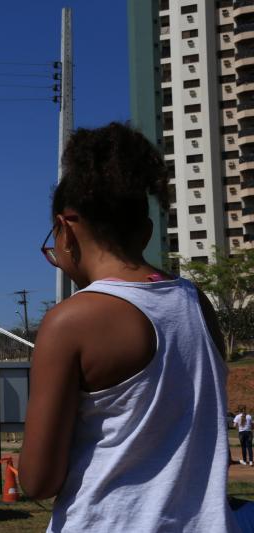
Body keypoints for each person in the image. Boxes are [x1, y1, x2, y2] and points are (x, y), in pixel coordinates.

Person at [18, 123, 239, 532]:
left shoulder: (70, 321)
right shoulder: (197, 304)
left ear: (66, 229)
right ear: (146, 231)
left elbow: (37, 480)